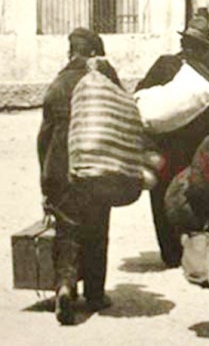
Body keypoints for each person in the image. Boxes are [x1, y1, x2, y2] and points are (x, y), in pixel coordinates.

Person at [38, 27, 121, 325]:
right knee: (97, 229)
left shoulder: (57, 85)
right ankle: (95, 294)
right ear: (94, 53)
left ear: (70, 51)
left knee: (68, 230)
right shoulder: (103, 80)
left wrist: (45, 179)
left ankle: (65, 286)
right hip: (96, 168)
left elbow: (44, 138)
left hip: (61, 170)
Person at [135, 16, 209, 267]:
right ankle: (195, 248)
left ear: (183, 42)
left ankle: (169, 252)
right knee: (195, 194)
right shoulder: (207, 73)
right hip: (193, 146)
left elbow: (141, 93)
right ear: (204, 46)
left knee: (161, 194)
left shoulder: (165, 63)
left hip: (163, 145)